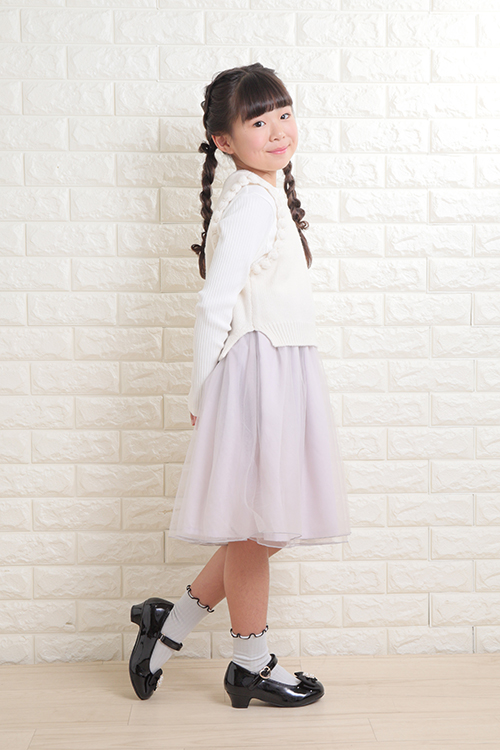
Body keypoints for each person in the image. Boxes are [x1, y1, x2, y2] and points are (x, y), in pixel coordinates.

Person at [129, 62, 351, 709]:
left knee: (263, 525)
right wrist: (202, 393)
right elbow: (214, 303)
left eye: (284, 113)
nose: (278, 130)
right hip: (259, 372)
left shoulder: (262, 193)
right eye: (259, 121)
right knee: (257, 528)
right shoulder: (253, 199)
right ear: (224, 140)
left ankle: (168, 626)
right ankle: (250, 662)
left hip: (277, 366)